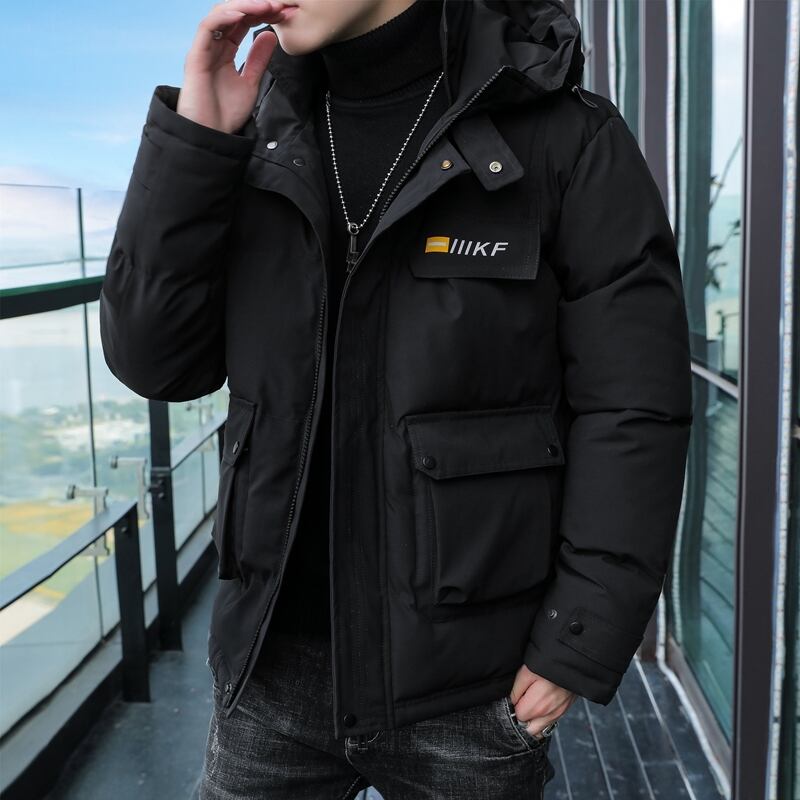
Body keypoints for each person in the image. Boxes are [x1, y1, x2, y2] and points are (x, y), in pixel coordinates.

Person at [98, 0, 693, 798]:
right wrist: (198, 140)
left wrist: (577, 639)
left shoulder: (567, 138)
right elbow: (155, 362)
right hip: (271, 667)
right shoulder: (259, 135)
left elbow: (633, 407)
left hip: (472, 687)